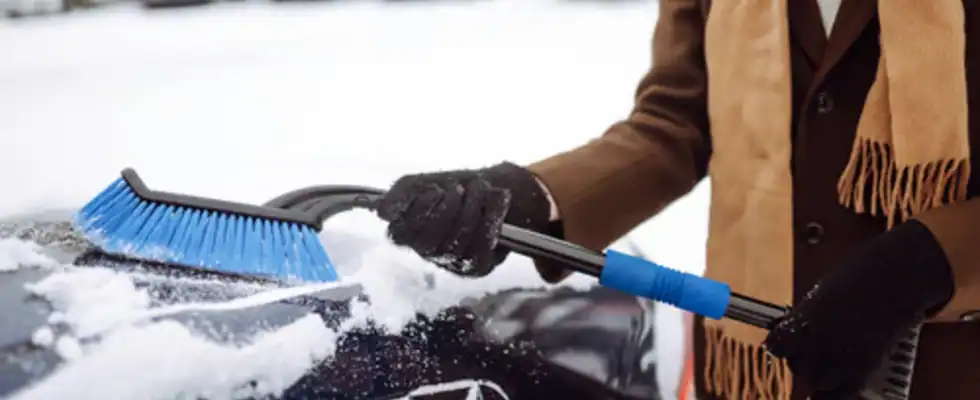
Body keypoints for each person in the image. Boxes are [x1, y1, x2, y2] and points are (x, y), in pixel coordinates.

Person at [374, 0, 980, 399]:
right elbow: (675, 123)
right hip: (758, 364)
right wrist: (531, 195)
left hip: (946, 366)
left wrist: (922, 264)